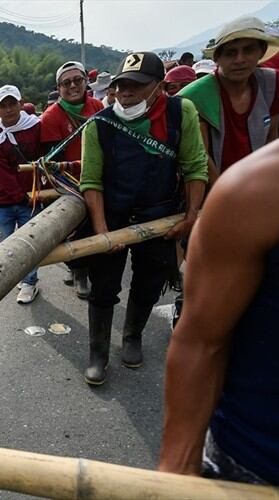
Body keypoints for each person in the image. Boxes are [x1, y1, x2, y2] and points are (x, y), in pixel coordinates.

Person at [158, 78, 279, 499]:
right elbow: (200, 342)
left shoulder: (264, 100)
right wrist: (174, 475)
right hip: (263, 472)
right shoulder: (268, 185)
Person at [79, 52, 208, 386]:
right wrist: (102, 231)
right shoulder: (99, 124)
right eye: (121, 85)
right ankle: (98, 353)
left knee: (150, 281)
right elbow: (91, 181)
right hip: (113, 216)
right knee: (103, 286)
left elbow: (195, 166)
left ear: (159, 87)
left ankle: (133, 336)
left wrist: (192, 215)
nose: (125, 92)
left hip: (160, 216)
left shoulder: (182, 113)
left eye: (136, 86)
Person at [178, 16, 279, 183]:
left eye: (249, 50)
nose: (240, 60)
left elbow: (272, 136)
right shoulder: (195, 96)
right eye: (230, 53)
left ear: (261, 52)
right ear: (217, 58)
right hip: (215, 187)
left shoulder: (271, 83)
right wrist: (227, 195)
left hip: (259, 181)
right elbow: (202, 156)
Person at [40, 61, 104, 299]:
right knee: (78, 225)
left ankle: (88, 267)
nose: (73, 86)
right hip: (69, 181)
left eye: (78, 80)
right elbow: (52, 160)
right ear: (59, 88)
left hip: (98, 175)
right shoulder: (51, 117)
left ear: (86, 81)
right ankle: (79, 271)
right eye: (66, 83)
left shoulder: (97, 106)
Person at [0, 84, 46, 304]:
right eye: (3, 105)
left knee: (29, 244)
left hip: (32, 198)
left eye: (12, 104)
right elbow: (3, 175)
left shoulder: (38, 126)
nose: (9, 109)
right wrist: (21, 196)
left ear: (21, 104)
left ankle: (30, 282)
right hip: (4, 201)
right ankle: (15, 277)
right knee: (4, 244)